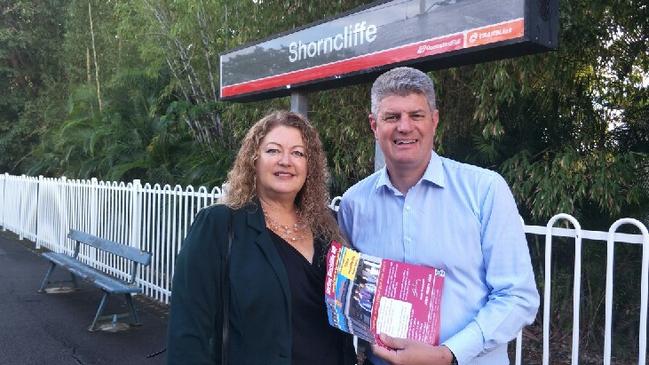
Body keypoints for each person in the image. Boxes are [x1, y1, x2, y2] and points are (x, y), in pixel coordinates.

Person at [337, 67, 540, 365]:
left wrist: (449, 354)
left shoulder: (484, 190)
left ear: (434, 120)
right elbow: (352, 292)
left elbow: (518, 296)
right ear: (373, 125)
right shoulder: (354, 203)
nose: (404, 127)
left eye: (416, 115)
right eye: (392, 117)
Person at [167, 110, 356, 365]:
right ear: (253, 160)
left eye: (298, 153)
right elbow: (188, 334)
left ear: (309, 167)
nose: (286, 161)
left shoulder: (327, 228)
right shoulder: (219, 225)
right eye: (273, 150)